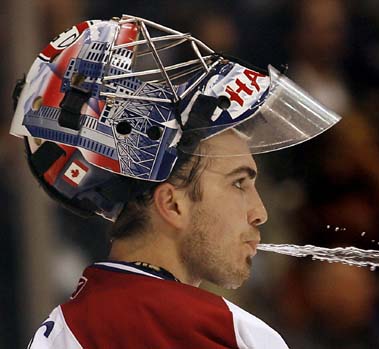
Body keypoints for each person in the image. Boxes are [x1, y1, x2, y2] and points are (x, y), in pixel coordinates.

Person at [11, 15, 340, 348]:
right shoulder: (233, 334)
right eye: (238, 183)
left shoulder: (58, 333)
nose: (260, 212)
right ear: (171, 203)